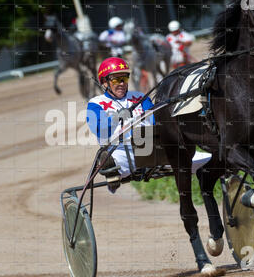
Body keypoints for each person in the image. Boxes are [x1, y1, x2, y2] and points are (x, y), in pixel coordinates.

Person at [87, 57, 211, 193]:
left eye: (125, 78)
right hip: (121, 150)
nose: (122, 83)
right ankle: (112, 170)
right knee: (118, 163)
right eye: (116, 79)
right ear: (104, 82)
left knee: (205, 159)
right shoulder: (96, 103)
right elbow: (99, 129)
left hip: (153, 146)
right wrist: (118, 117)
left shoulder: (139, 96)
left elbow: (155, 119)